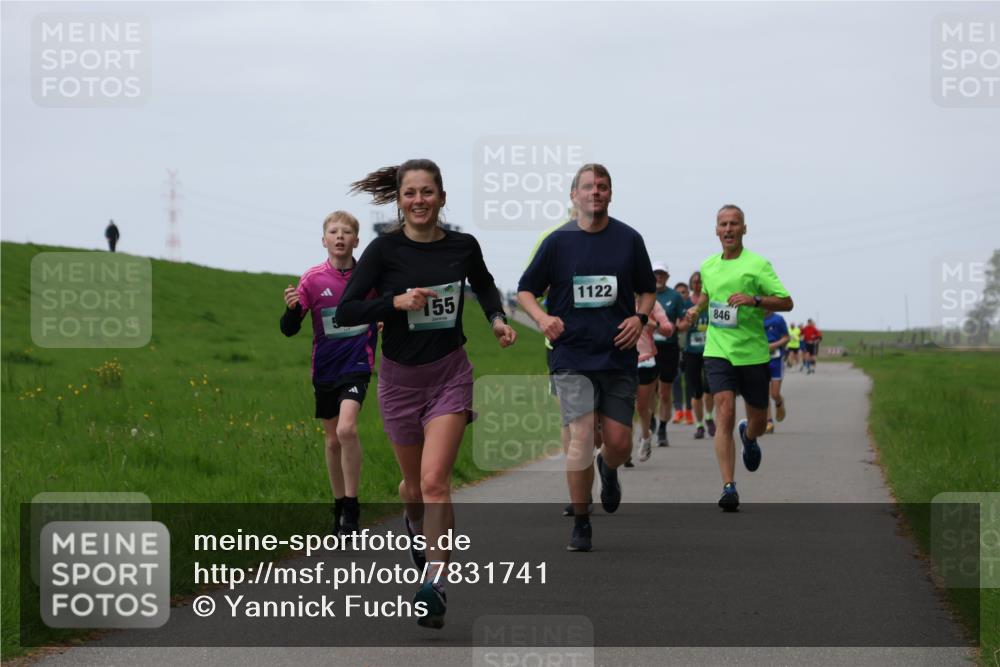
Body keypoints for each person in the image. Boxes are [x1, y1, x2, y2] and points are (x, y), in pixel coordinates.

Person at [337, 159, 517, 629]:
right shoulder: (384, 251)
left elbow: (483, 284)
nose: (419, 201)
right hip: (399, 382)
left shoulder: (462, 246)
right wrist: (394, 303)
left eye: (428, 192)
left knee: (437, 481)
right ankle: (414, 526)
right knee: (413, 489)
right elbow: (348, 308)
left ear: (442, 196)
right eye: (410, 193)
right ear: (399, 200)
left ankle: (435, 583)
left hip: (449, 375)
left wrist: (496, 319)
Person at [518, 163, 656, 552]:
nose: (595, 192)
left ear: (610, 194)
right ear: (574, 195)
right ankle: (581, 521)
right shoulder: (558, 242)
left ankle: (608, 469)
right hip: (572, 355)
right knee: (580, 435)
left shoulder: (629, 240)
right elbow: (526, 290)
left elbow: (647, 290)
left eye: (603, 186)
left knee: (618, 441)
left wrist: (639, 317)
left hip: (617, 354)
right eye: (588, 187)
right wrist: (543, 318)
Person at [684, 204, 792, 512]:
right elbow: (707, 295)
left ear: (744, 229)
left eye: (734, 224)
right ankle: (728, 486)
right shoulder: (708, 266)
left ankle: (750, 435)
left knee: (757, 420)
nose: (728, 229)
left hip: (753, 353)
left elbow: (786, 301)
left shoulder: (758, 265)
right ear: (716, 230)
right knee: (724, 412)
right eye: (723, 224)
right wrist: (695, 308)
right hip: (718, 350)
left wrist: (754, 299)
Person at [280, 211, 377, 536]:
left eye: (346, 232)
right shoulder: (312, 279)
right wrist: (292, 309)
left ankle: (352, 507)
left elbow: (387, 308)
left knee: (348, 430)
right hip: (325, 369)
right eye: (333, 232)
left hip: (358, 365)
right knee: (333, 440)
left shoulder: (369, 278)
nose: (340, 236)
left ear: (356, 241)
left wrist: (382, 317)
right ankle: (338, 506)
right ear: (324, 240)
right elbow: (289, 330)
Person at [676, 271, 714, 439]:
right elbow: (679, 326)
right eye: (695, 282)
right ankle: (699, 425)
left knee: (709, 386)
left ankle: (709, 418)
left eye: (700, 282)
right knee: (695, 390)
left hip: (710, 350)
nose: (697, 284)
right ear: (691, 284)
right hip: (691, 351)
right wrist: (688, 321)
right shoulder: (685, 303)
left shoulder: (709, 301)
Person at [651, 263, 686, 446]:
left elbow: (682, 320)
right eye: (656, 273)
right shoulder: (644, 294)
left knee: (665, 392)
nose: (658, 277)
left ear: (667, 276)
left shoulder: (675, 297)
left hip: (669, 348)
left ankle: (663, 429)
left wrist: (680, 327)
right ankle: (650, 418)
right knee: (648, 390)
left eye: (662, 274)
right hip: (647, 348)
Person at [636, 295, 673, 461]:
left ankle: (645, 437)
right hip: (619, 361)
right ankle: (623, 444)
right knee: (621, 406)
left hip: (645, 359)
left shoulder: (651, 303)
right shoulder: (615, 298)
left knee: (641, 407)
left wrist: (651, 323)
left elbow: (668, 329)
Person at [763, 310, 790, 433]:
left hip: (776, 359)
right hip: (760, 358)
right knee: (763, 392)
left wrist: (774, 345)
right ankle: (769, 422)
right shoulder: (755, 318)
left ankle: (779, 402)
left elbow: (786, 337)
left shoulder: (778, 319)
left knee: (774, 393)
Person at [671, 281, 694, 425]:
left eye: (684, 292)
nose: (681, 295)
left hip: (691, 349)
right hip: (676, 349)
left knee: (690, 381)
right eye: (678, 292)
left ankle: (689, 411)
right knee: (677, 379)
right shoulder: (672, 308)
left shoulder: (692, 309)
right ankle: (678, 410)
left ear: (688, 294)